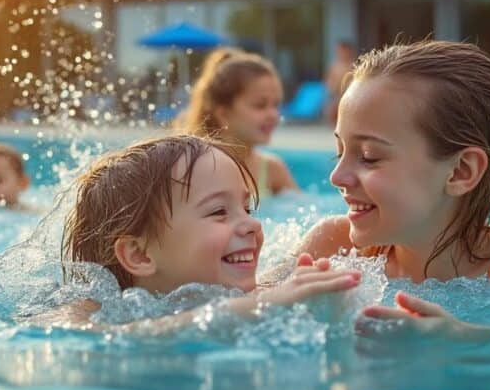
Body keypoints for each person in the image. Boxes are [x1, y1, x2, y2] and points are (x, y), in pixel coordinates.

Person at [296, 40, 490, 337]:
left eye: (369, 156)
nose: (336, 176)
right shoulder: (331, 247)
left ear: (461, 172)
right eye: (340, 151)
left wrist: (467, 337)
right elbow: (257, 310)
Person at [57, 134, 360, 331]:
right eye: (218, 212)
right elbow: (80, 336)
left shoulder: (262, 291)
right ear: (139, 254)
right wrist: (250, 309)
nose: (252, 225)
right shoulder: (92, 311)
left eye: (247, 209)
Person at [176, 49, 298, 197]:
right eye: (260, 105)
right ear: (224, 114)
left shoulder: (272, 170)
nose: (273, 115)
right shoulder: (196, 169)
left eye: (276, 105)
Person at [324, 40, 356, 124]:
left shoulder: (353, 65)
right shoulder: (335, 65)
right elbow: (329, 81)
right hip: (336, 95)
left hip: (350, 94)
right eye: (340, 51)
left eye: (344, 51)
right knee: (332, 111)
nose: (342, 53)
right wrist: (331, 89)